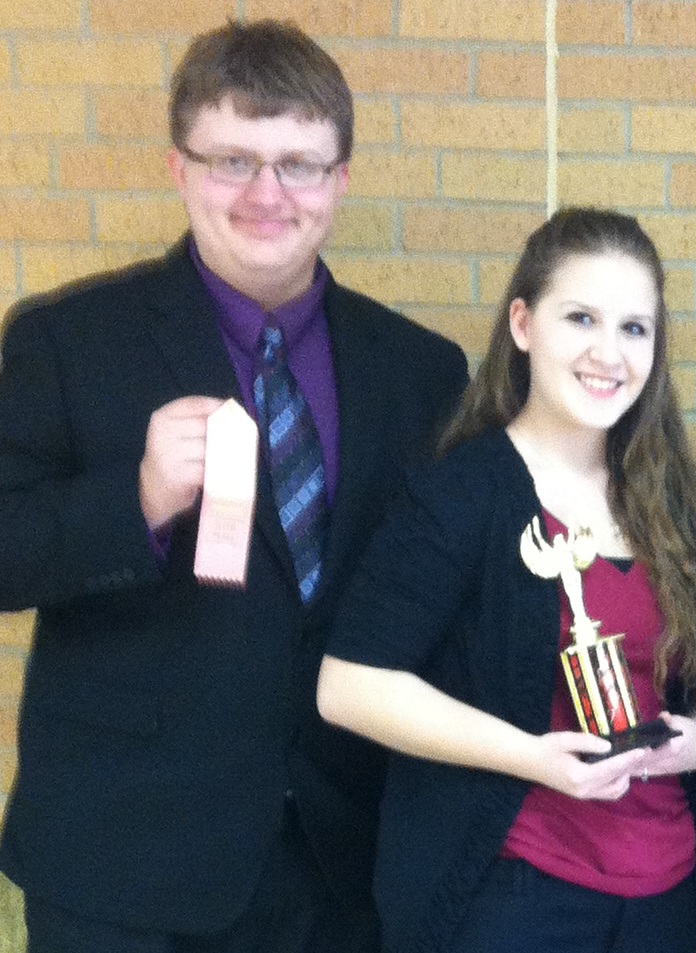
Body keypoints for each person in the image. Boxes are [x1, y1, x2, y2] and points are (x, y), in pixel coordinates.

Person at [0, 19, 469, 953]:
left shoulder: (420, 372)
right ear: (178, 168)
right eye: (232, 159)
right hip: (125, 861)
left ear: (341, 180)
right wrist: (130, 503)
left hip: (341, 859)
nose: (267, 193)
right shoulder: (65, 340)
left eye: (299, 163)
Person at [317, 208, 696, 953]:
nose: (608, 353)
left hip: (662, 890)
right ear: (522, 324)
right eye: (580, 317)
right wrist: (530, 754)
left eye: (634, 328)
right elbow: (349, 685)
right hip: (518, 891)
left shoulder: (661, 496)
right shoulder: (462, 493)